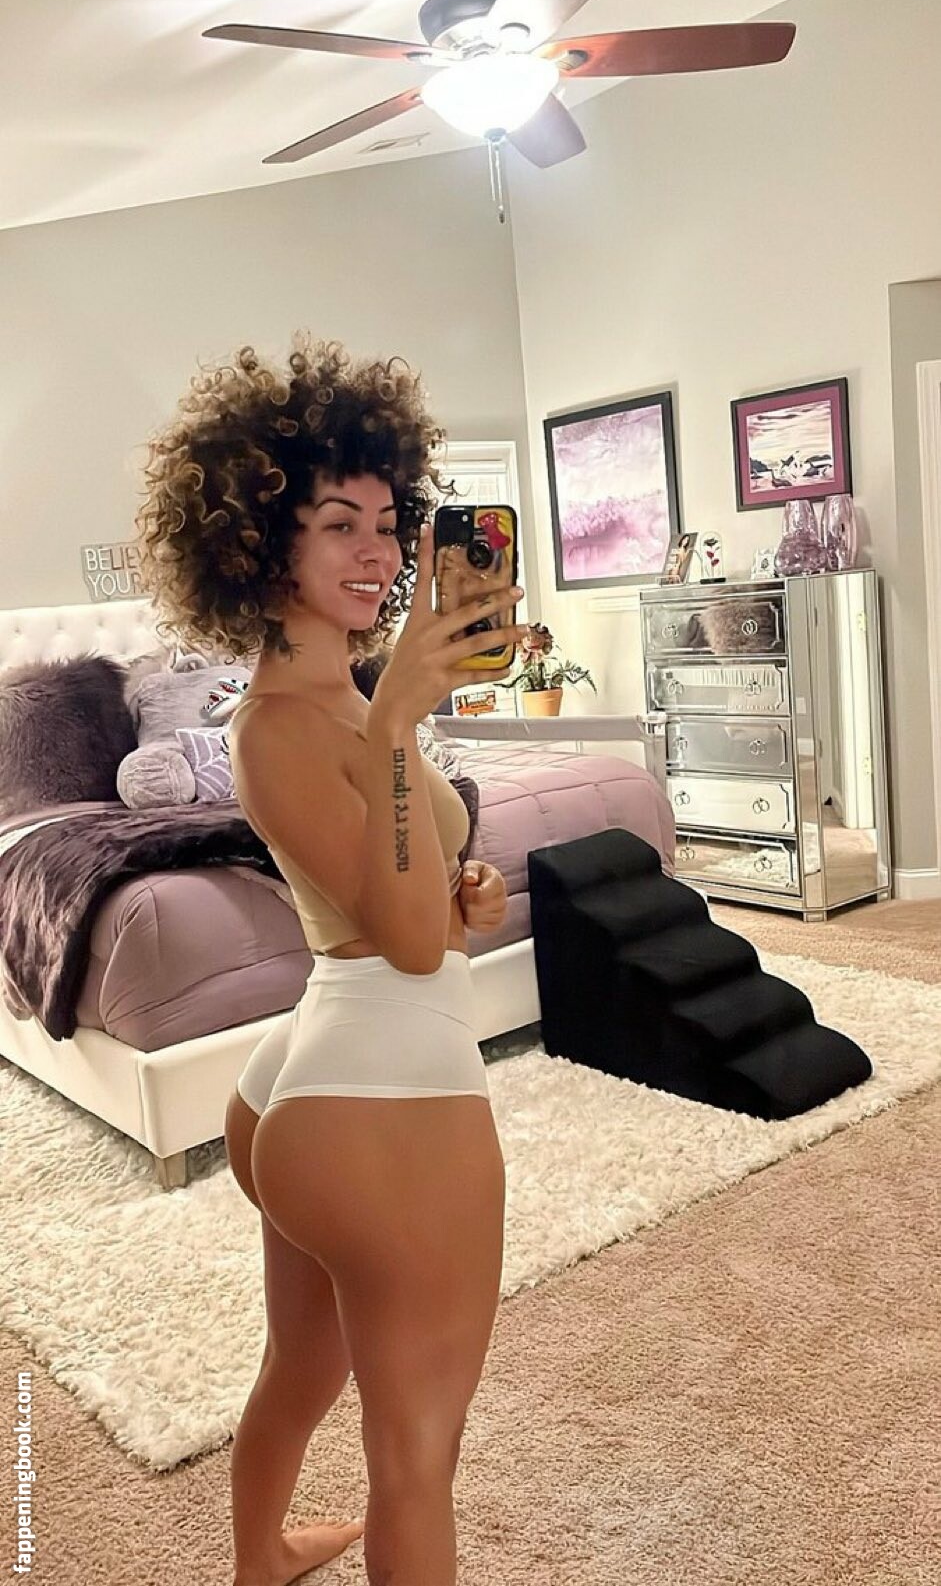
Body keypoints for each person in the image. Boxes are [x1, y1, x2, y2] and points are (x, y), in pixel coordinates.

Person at [137, 336, 529, 1586]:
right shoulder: (276, 725)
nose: (377, 552)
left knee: (302, 1370)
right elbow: (403, 943)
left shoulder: (348, 699)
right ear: (261, 548)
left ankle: (260, 1558)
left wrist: (458, 889)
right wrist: (405, 717)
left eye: (386, 522)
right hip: (382, 1088)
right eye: (336, 525)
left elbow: (390, 898)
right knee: (416, 1458)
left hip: (314, 1075)